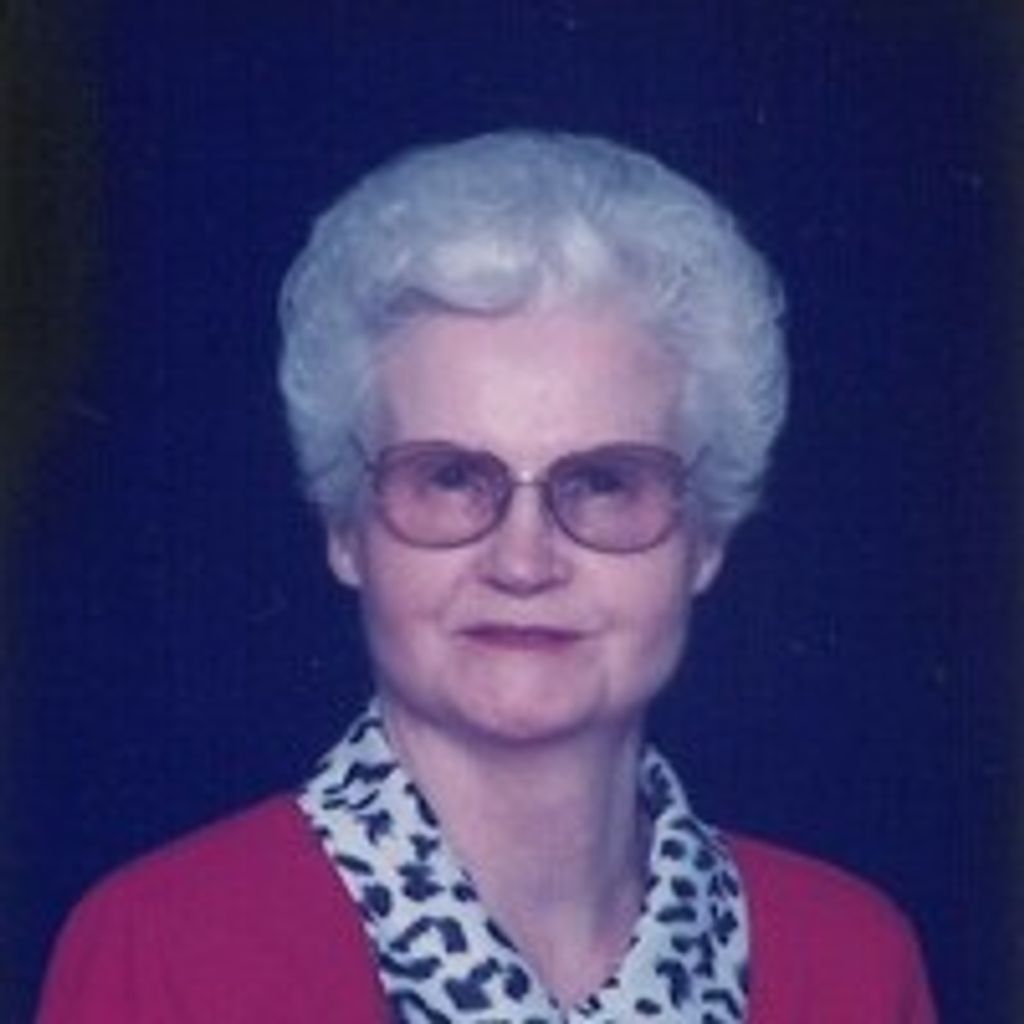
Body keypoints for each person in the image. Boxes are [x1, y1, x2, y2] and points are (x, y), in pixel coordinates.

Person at [36, 131, 936, 1023]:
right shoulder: (164, 951)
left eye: (604, 483)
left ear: (706, 539)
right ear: (346, 527)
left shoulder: (854, 963)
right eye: (451, 478)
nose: (523, 561)